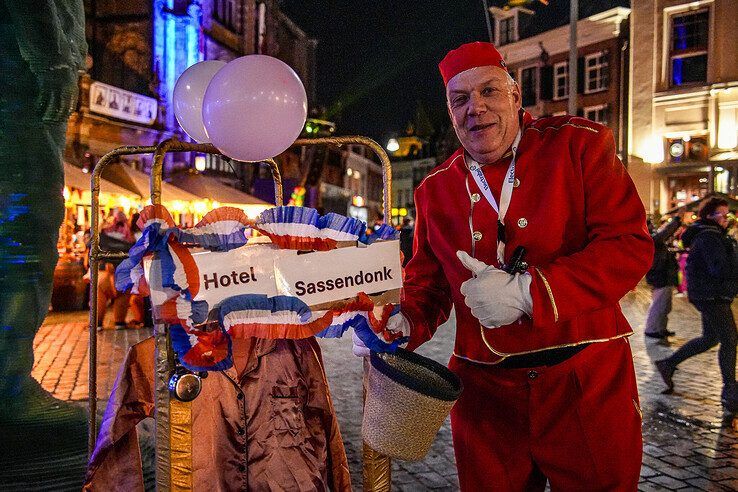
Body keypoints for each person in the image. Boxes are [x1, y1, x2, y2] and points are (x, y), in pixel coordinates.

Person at [355, 41, 652, 490]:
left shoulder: (580, 145)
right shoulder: (435, 189)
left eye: (489, 92)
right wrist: (404, 321)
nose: (476, 108)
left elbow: (627, 245)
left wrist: (527, 292)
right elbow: (428, 282)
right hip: (485, 395)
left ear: (515, 97)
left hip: (584, 380)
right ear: (451, 113)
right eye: (460, 100)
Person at [655, 197, 738, 411]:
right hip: (712, 295)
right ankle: (730, 391)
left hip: (711, 294)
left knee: (711, 338)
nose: (725, 219)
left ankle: (668, 363)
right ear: (710, 216)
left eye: (727, 214)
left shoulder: (711, 234)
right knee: (729, 339)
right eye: (722, 214)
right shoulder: (709, 237)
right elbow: (718, 268)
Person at [644, 214, 682, 338]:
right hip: (660, 274)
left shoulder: (652, 237)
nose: (653, 226)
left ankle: (661, 328)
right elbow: (664, 233)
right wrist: (677, 219)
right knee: (659, 304)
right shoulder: (650, 238)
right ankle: (652, 329)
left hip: (663, 274)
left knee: (665, 305)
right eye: (650, 224)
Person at [96, 210, 135, 330]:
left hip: (104, 274)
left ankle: (97, 324)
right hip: (123, 275)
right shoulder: (129, 237)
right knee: (122, 300)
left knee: (99, 299)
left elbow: (91, 256)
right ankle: (119, 322)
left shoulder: (102, 235)